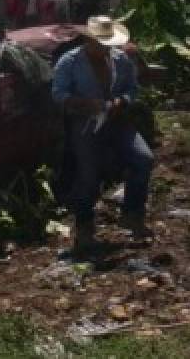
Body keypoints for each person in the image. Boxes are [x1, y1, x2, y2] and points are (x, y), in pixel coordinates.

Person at [52, 15, 154, 254]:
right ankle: (85, 230)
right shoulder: (70, 62)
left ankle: (132, 214)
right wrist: (85, 104)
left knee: (143, 159)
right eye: (100, 42)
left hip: (117, 121)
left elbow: (132, 89)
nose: (105, 48)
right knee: (88, 175)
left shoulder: (120, 60)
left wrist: (122, 101)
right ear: (89, 40)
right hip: (85, 123)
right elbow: (58, 95)